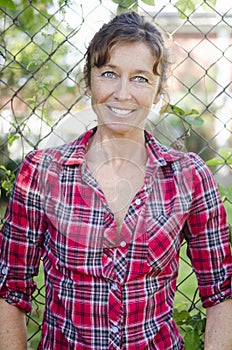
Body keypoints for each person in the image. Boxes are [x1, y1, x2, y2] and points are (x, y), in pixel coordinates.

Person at [0, 11, 231, 350]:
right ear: (88, 81)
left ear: (157, 91)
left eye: (140, 78)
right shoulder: (40, 173)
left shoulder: (190, 177)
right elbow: (9, 291)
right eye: (109, 74)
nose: (123, 93)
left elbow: (221, 291)